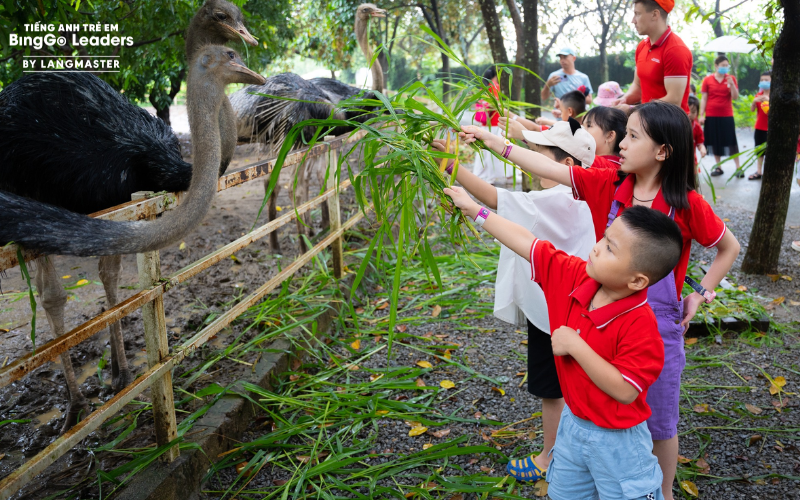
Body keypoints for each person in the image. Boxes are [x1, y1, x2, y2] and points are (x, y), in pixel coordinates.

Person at [459, 101, 741, 500]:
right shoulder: (609, 181)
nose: (621, 143)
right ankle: (584, 472)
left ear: (662, 151)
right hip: (603, 311)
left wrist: (701, 292)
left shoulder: (686, 202)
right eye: (624, 134)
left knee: (659, 422)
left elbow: (728, 247)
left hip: (658, 325)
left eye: (633, 136)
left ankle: (661, 491)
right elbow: (551, 168)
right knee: (593, 404)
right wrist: (496, 143)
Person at [446, 180, 682, 499]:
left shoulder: (641, 325)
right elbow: (527, 242)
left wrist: (576, 347)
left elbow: (626, 390)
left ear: (637, 280)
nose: (597, 247)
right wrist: (475, 209)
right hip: (572, 425)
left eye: (611, 249)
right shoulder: (573, 274)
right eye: (604, 238)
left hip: (619, 441)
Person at [434, 120, 596, 482]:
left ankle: (551, 457)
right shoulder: (588, 195)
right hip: (579, 307)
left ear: (567, 164)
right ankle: (570, 451)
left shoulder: (555, 198)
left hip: (554, 309)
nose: (534, 161)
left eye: (541, 155)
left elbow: (495, 199)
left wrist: (450, 165)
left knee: (552, 388)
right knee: (573, 382)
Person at [613, 0, 692, 114]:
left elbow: (674, 101)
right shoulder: (642, 46)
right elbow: (638, 85)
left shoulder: (675, 50)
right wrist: (625, 99)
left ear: (655, 14)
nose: (633, 20)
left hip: (671, 127)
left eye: (637, 14)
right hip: (647, 122)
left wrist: (633, 109)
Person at [700, 56, 742, 177]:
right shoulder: (707, 80)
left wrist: (732, 85)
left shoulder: (731, 78)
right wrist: (701, 115)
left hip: (727, 115)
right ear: (716, 66)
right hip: (711, 115)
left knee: (731, 141)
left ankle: (738, 167)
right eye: (722, 65)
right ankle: (719, 168)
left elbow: (735, 97)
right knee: (714, 141)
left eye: (726, 65)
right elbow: (704, 98)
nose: (725, 68)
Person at [470, 66, 511, 184]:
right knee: (497, 148)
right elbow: (495, 105)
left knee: (485, 150)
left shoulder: (482, 88)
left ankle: (482, 174)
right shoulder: (495, 87)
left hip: (485, 124)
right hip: (494, 124)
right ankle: (493, 175)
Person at [541, 47, 594, 119]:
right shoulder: (554, 76)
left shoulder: (583, 77)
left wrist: (576, 95)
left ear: (574, 58)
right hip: (562, 118)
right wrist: (548, 85)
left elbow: (589, 100)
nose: (562, 60)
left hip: (578, 118)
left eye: (565, 57)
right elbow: (543, 97)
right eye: (560, 58)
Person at [749, 71, 771, 180]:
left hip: (770, 129)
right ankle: (759, 171)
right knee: (759, 152)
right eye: (762, 80)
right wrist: (754, 101)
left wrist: (769, 101)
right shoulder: (759, 95)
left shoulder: (775, 96)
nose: (764, 82)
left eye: (767, 80)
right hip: (759, 127)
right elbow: (752, 110)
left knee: (771, 152)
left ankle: (770, 172)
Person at [687, 95, 706, 168]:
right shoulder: (677, 126)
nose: (689, 114)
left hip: (692, 161)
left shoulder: (697, 127)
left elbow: (699, 143)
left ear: (697, 113)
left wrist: (702, 148)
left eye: (693, 112)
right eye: (687, 110)